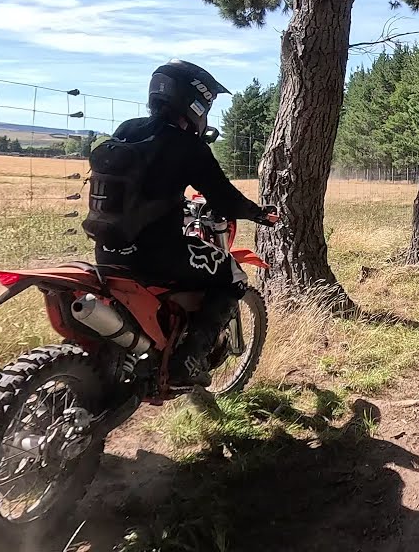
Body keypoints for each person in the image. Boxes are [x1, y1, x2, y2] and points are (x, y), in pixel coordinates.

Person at [83, 59, 275, 386]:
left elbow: (143, 184)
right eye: (207, 107)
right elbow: (223, 197)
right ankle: (187, 362)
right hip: (158, 256)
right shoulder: (187, 145)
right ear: (195, 102)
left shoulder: (128, 128)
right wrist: (259, 214)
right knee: (233, 275)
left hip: (108, 252)